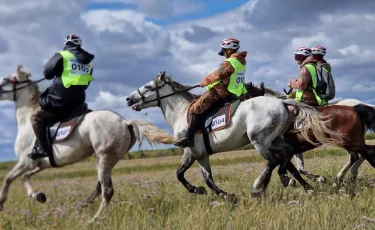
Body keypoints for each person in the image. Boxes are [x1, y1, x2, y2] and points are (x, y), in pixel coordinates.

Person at [28, 34, 95, 160]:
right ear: (79, 44)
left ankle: (43, 149)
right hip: (78, 100)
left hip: (59, 99)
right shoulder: (88, 61)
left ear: (66, 44)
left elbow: (47, 73)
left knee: (35, 116)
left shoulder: (63, 55)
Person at [174, 38, 247, 148]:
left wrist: (204, 81)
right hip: (238, 92)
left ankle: (189, 139)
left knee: (195, 108)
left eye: (224, 51)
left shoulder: (230, 62)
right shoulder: (241, 62)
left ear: (229, 50)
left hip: (221, 92)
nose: (224, 54)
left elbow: (217, 74)